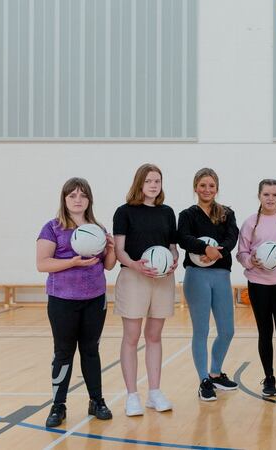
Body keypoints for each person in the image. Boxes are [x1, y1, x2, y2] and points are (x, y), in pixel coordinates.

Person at [36, 178, 116, 427]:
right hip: (62, 300)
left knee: (91, 350)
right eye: (72, 195)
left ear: (89, 199)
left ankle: (96, 401)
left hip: (95, 299)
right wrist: (72, 262)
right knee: (63, 352)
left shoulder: (98, 228)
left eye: (83, 195)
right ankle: (58, 405)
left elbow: (108, 265)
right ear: (64, 199)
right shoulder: (52, 228)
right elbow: (42, 264)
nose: (78, 200)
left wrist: (111, 248)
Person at [113, 163, 178, 416]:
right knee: (131, 336)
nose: (153, 185)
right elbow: (119, 250)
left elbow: (172, 247)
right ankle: (132, 395)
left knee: (154, 336)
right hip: (134, 276)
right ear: (139, 183)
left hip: (162, 279)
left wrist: (173, 260)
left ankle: (154, 392)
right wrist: (135, 265)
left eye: (157, 181)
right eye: (149, 180)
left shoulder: (167, 212)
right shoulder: (124, 212)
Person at [178, 168, 239, 401]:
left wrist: (217, 252)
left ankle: (215, 373)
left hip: (221, 275)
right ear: (196, 187)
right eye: (202, 185)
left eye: (211, 185)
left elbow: (232, 237)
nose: (207, 189)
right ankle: (204, 380)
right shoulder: (187, 215)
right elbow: (183, 238)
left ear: (217, 188)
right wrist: (205, 248)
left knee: (227, 330)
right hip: (196, 276)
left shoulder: (227, 213)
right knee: (201, 330)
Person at [237, 179, 276, 397]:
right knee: (265, 333)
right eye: (266, 194)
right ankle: (269, 377)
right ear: (259, 196)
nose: (270, 198)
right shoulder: (250, 223)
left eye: (275, 194)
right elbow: (241, 253)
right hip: (258, 285)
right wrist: (251, 261)